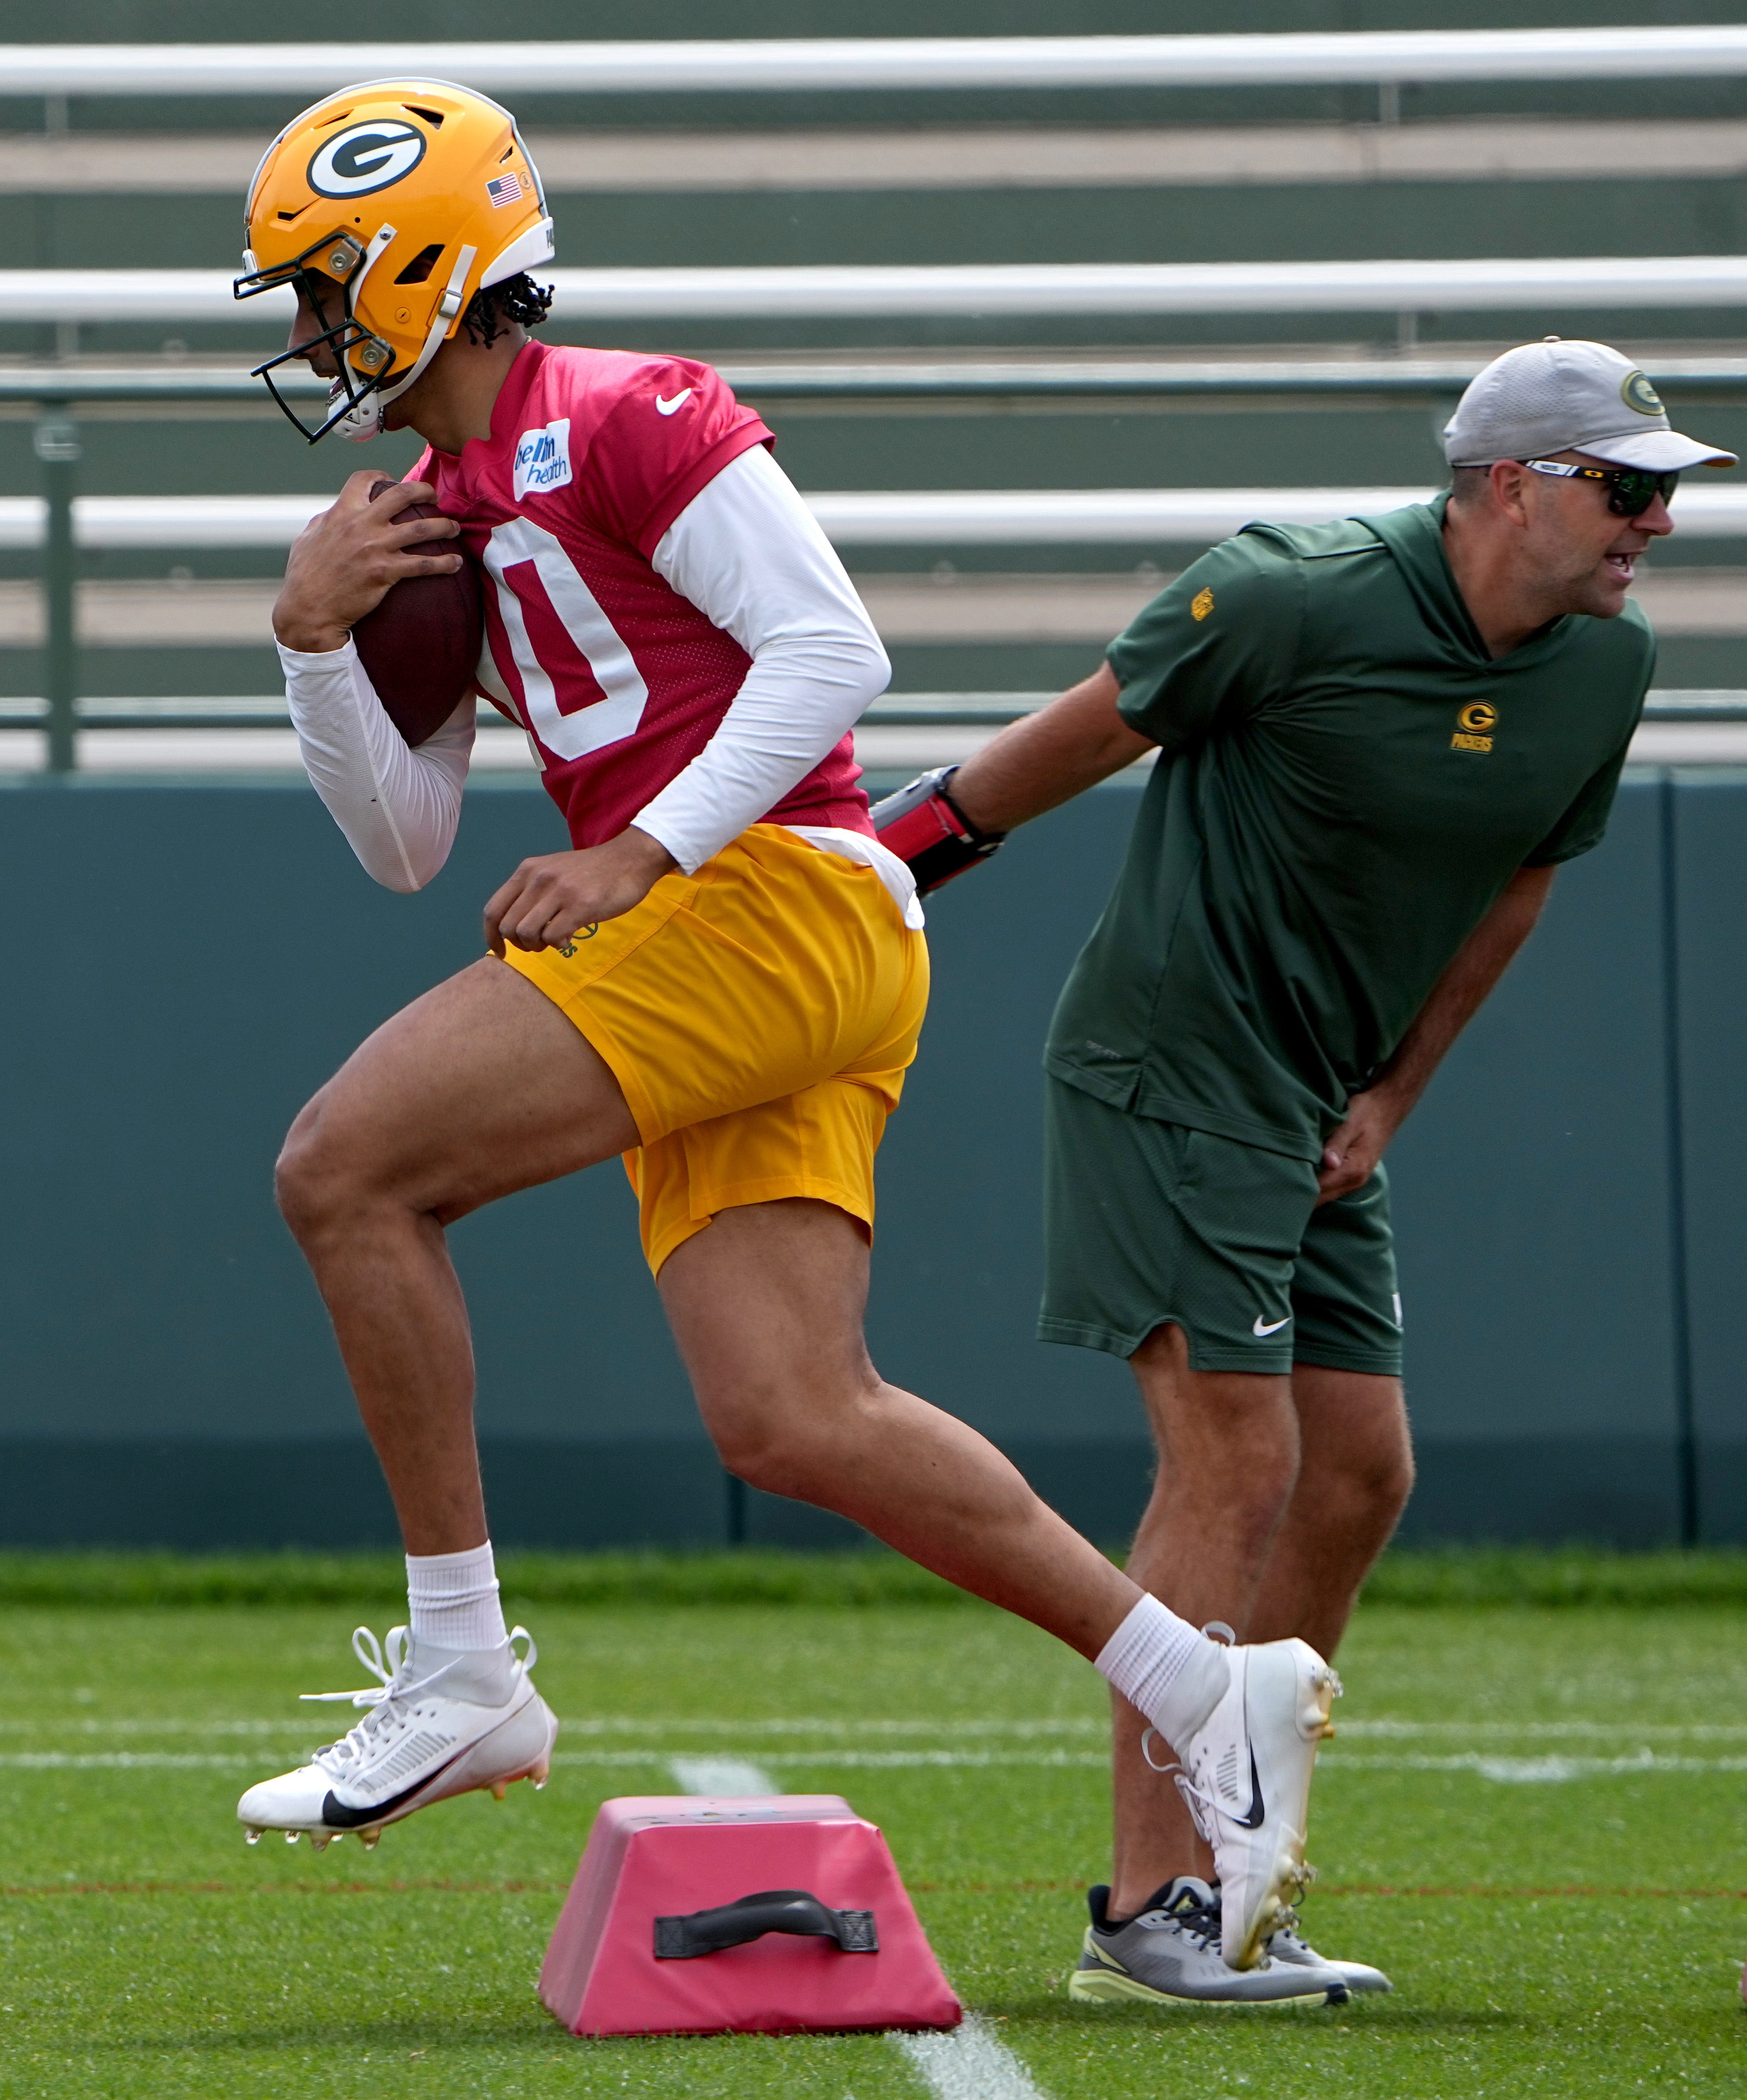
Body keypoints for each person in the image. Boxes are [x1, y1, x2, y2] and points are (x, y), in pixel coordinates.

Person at [225, 76, 1342, 1981]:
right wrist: (309, 644)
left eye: (328, 289)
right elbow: (408, 847)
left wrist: (637, 851)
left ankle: (463, 1661)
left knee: (343, 1172)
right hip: (741, 935)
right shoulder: (426, 510)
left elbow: (835, 648)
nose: (318, 336)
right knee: (792, 1415)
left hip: (774, 900)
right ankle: (1202, 1685)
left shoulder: (633, 408)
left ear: (430, 262)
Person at [876, 336, 1729, 2003]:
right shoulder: (1291, 590)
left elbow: (1513, 888)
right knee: (1233, 1464)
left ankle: (1238, 1863)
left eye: (1664, 497)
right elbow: (1063, 747)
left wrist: (1394, 1096)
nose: (1657, 527)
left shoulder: (1601, 669)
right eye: (1627, 492)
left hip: (1325, 1097)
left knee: (1356, 1473)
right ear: (1509, 486)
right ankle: (1153, 1909)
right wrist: (866, 875)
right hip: (1173, 1062)